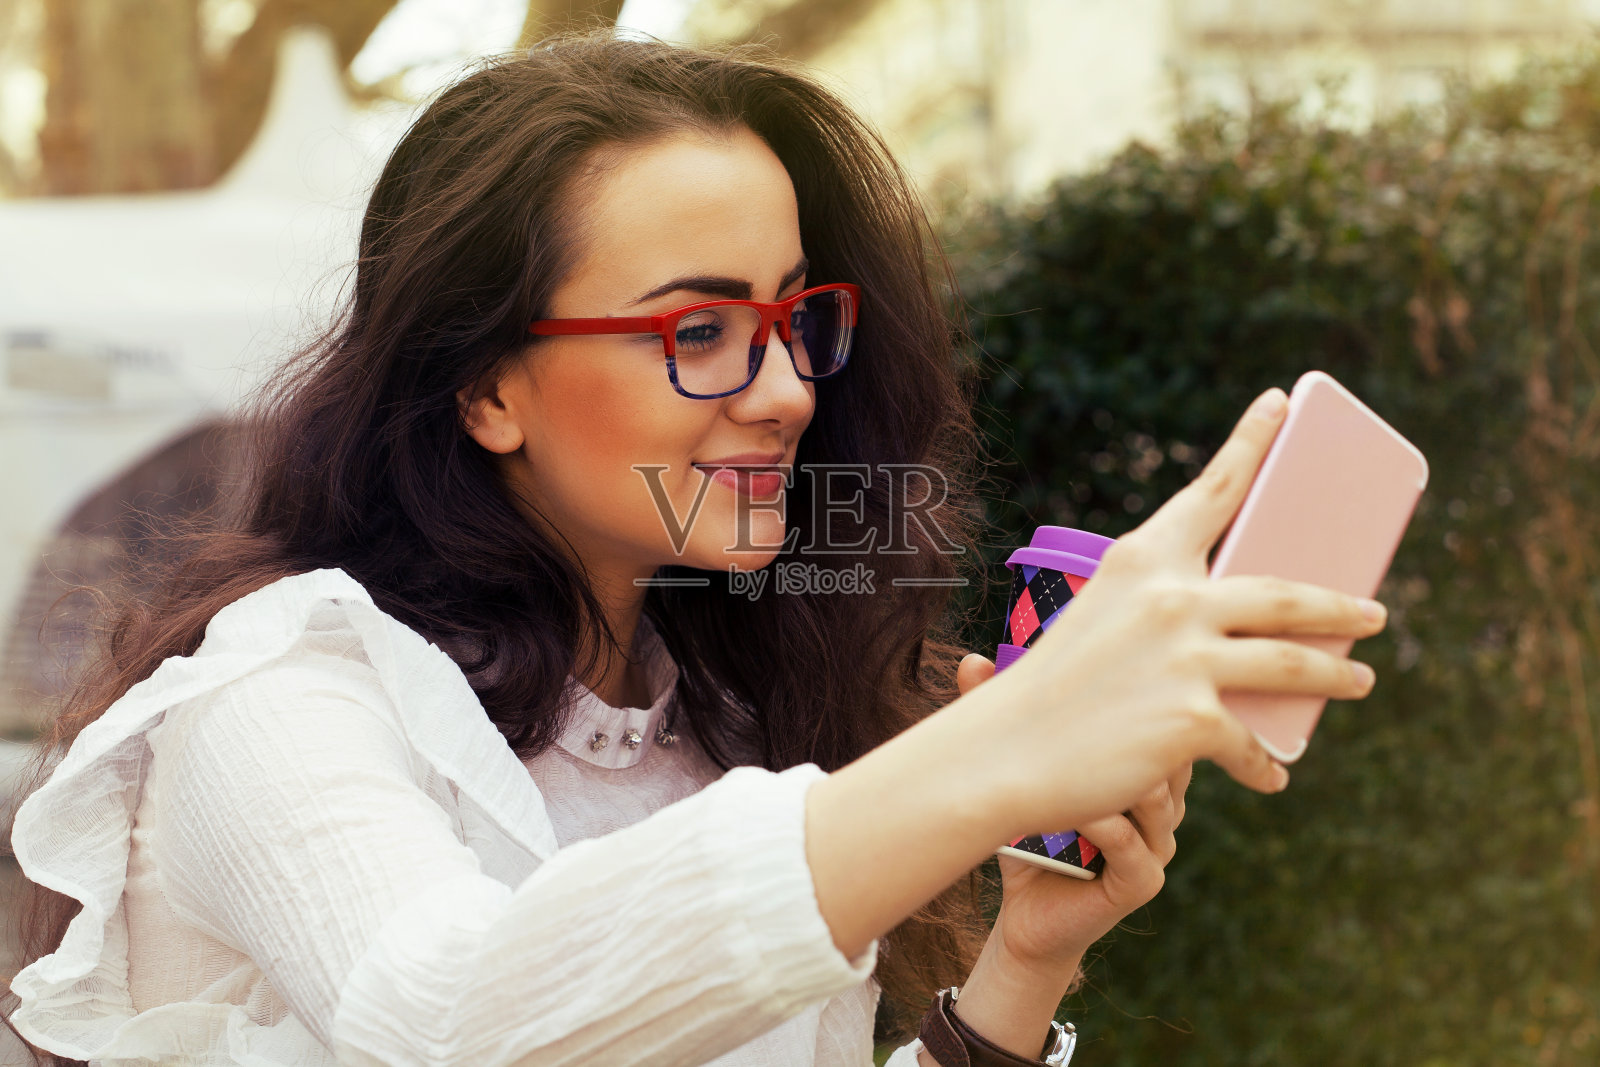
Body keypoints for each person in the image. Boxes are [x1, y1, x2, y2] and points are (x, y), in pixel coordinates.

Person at [2, 30, 1386, 1067]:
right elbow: (450, 1011)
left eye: (796, 320)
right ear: (488, 389)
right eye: (698, 331)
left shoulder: (722, 729)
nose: (786, 387)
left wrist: (1024, 963)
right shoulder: (278, 698)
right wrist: (1005, 749)